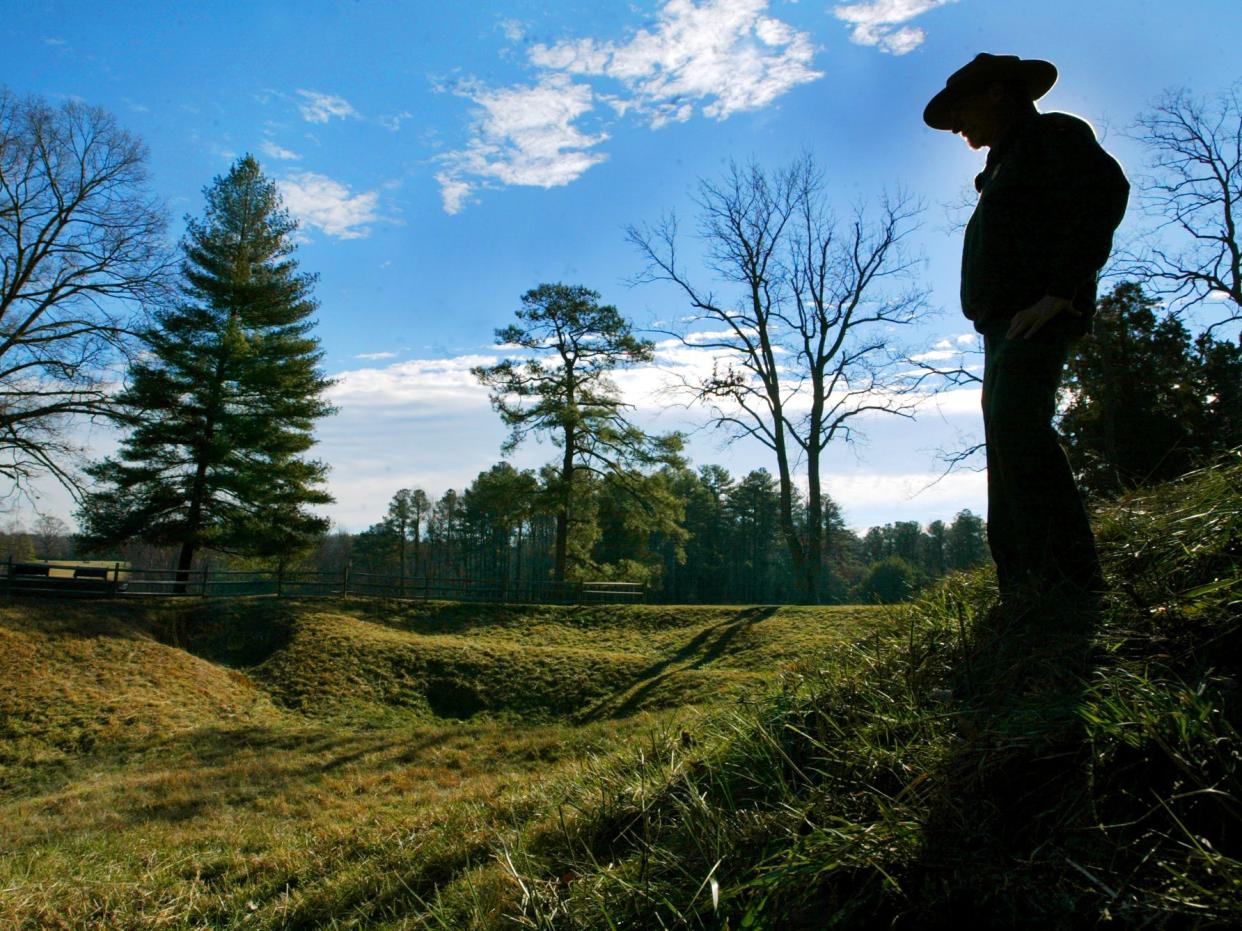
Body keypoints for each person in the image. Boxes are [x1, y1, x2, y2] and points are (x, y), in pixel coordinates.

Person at [924, 53, 1129, 601]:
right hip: (1003, 326)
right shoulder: (1005, 162)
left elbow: (1105, 195)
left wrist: (1061, 291)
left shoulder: (1053, 136)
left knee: (1019, 430)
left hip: (1037, 315)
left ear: (996, 93)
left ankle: (1068, 582)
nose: (958, 126)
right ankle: (1022, 585)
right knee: (1006, 439)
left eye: (961, 110)